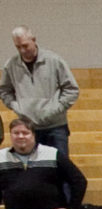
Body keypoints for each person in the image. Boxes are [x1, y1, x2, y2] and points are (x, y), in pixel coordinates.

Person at [0, 116, 84, 209]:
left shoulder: (52, 153)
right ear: (10, 135)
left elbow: (79, 181)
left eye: (25, 133)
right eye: (16, 133)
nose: (20, 136)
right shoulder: (1, 157)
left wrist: (70, 208)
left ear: (33, 135)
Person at [1, 28, 76, 161]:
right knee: (34, 172)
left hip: (56, 127)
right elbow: (4, 90)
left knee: (61, 168)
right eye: (18, 47)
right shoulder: (11, 65)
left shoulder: (54, 60)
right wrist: (16, 106)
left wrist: (56, 109)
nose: (23, 50)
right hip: (29, 128)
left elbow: (71, 89)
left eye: (25, 45)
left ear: (34, 40)